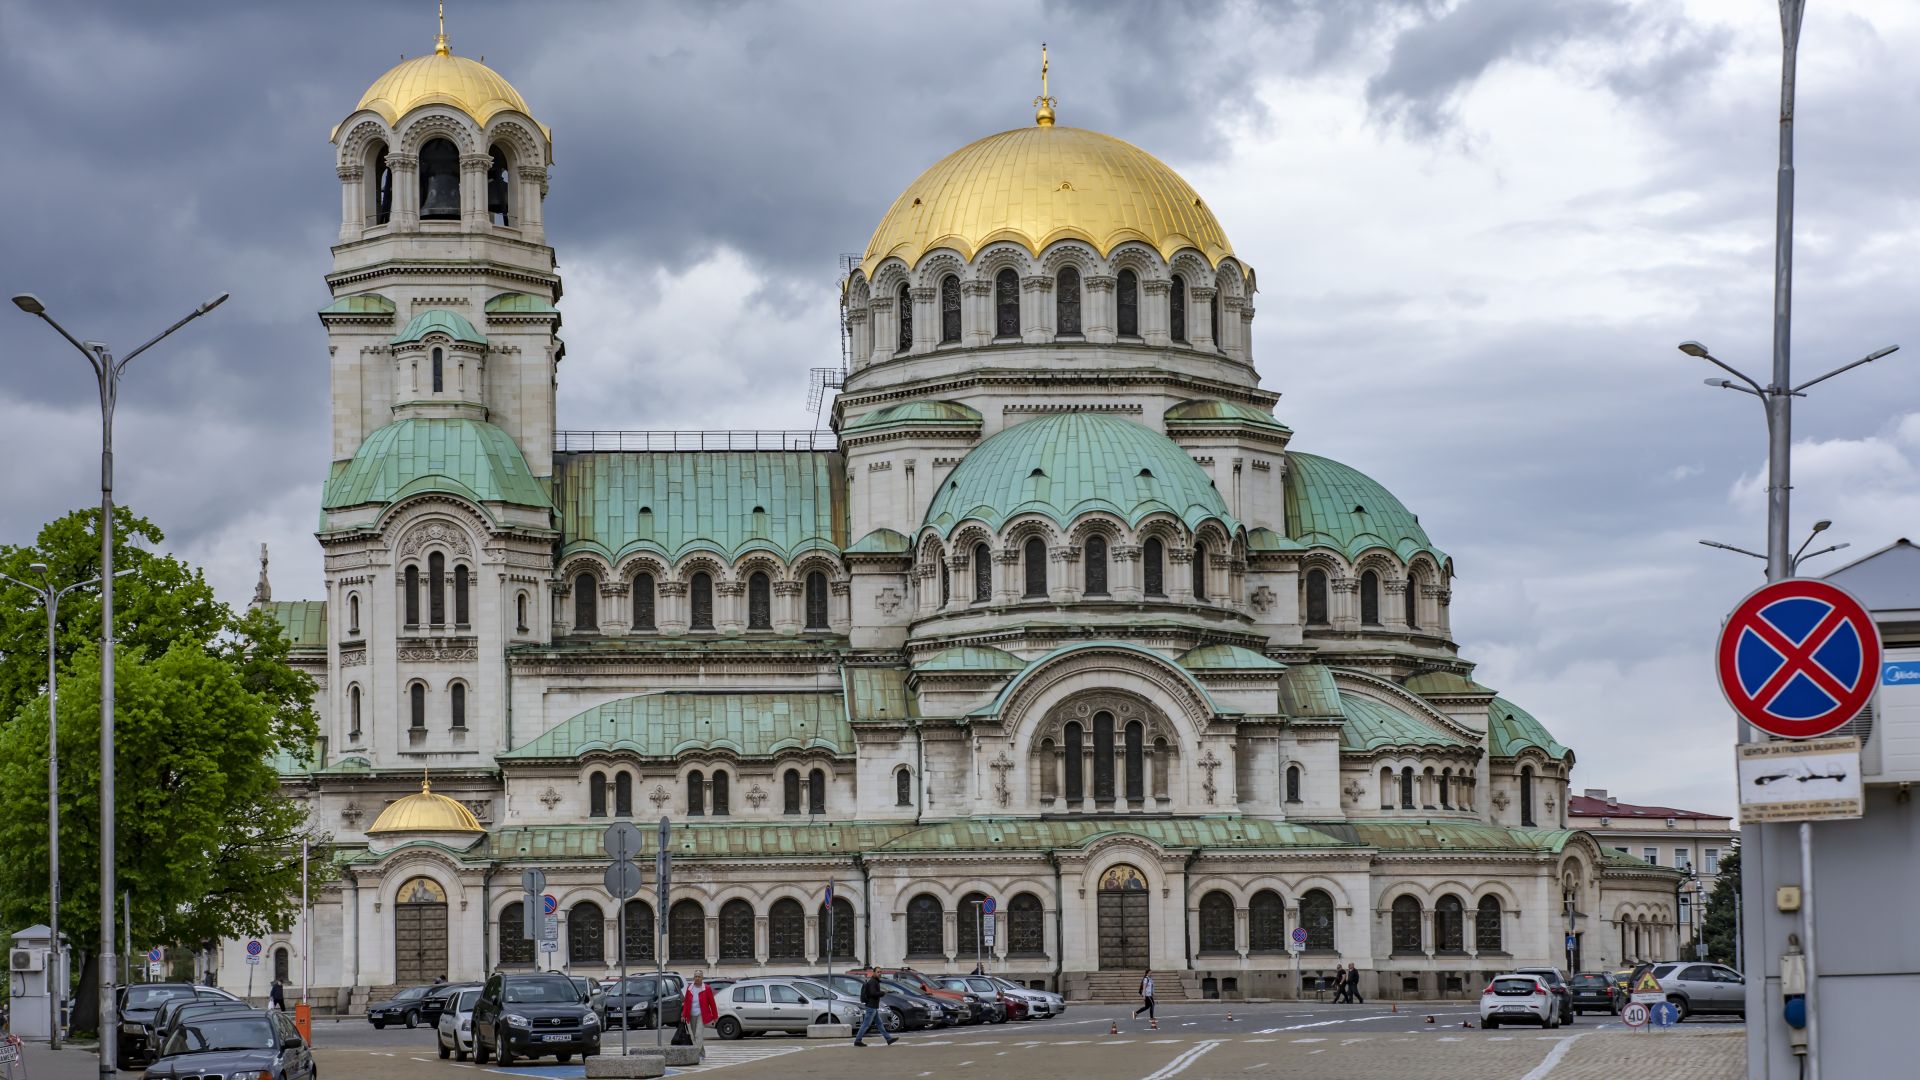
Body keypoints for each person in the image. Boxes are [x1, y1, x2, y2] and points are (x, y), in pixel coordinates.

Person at [852, 970, 895, 1047]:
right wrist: (882, 993)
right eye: (878, 972)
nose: (880, 973)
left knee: (879, 1024)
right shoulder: (872, 982)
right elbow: (872, 993)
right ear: (874, 973)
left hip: (873, 1006)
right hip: (871, 1007)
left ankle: (888, 1039)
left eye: (880, 972)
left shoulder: (875, 981)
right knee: (866, 1024)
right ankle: (857, 1040)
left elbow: (873, 992)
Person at [681, 971, 718, 1052]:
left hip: (701, 1014)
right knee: (694, 1035)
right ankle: (702, 1052)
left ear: (702, 978)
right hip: (691, 1014)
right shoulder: (690, 988)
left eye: (699, 977)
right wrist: (683, 1015)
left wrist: (715, 1017)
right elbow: (686, 1002)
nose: (697, 978)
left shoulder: (706, 988)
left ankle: (696, 1054)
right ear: (694, 978)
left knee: (698, 1034)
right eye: (696, 976)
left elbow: (712, 1003)